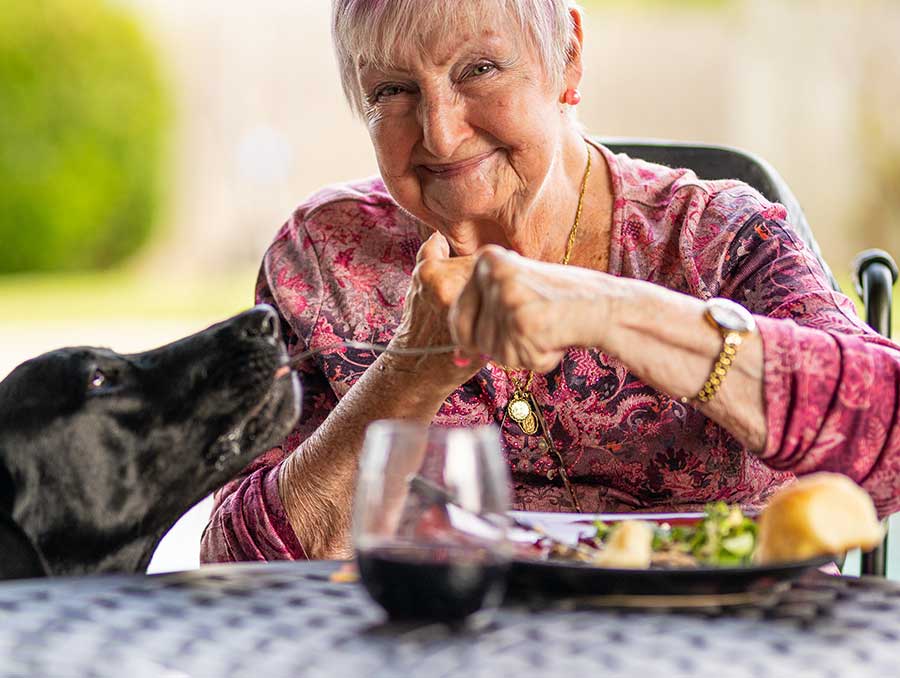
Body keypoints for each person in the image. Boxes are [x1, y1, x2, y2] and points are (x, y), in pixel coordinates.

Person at [200, 0, 900, 562]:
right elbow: (235, 563)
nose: (441, 134)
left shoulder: (715, 240)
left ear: (567, 55)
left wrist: (609, 310)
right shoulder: (327, 256)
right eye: (394, 89)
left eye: (479, 69)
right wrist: (408, 372)